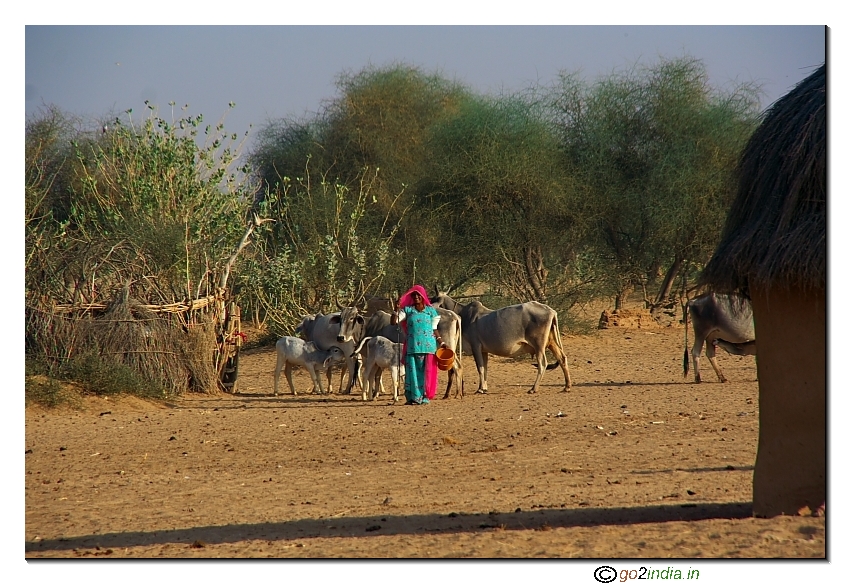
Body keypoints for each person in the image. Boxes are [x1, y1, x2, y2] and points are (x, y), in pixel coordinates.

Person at [391, 285, 446, 405]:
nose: (416, 297)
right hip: (412, 347)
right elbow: (393, 322)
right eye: (414, 295)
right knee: (412, 373)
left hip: (428, 347)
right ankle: (413, 398)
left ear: (423, 296)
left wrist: (441, 342)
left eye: (418, 295)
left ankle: (424, 397)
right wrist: (396, 309)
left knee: (427, 372)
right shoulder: (408, 310)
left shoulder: (431, 311)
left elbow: (434, 329)